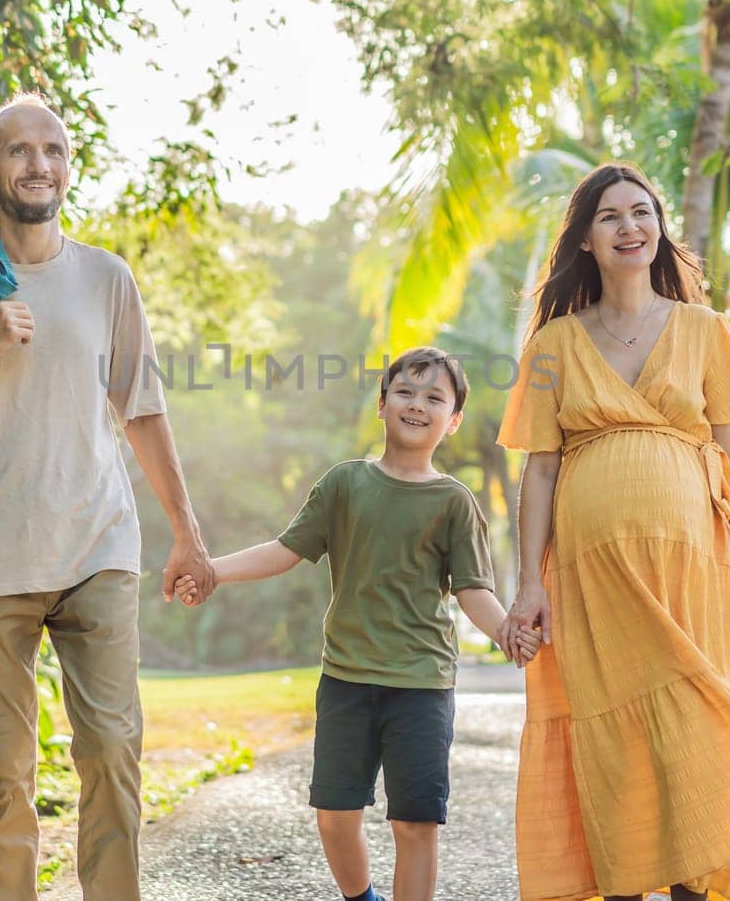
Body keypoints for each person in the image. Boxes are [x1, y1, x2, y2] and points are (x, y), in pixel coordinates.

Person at [0, 93, 216, 901]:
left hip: (97, 543)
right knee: (1, 778)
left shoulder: (105, 278)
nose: (39, 164)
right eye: (20, 151)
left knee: (110, 751)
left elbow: (142, 407)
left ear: (69, 167)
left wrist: (186, 534)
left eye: (53, 149)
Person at [497, 163, 730, 901]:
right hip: (590, 578)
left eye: (642, 212)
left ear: (660, 228)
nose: (630, 226)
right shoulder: (553, 345)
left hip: (691, 567)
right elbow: (539, 471)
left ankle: (693, 890)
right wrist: (528, 582)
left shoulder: (704, 330)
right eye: (610, 216)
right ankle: (627, 886)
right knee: (616, 745)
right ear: (585, 241)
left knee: (694, 731)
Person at [173, 347, 540, 901]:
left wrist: (506, 630)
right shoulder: (345, 484)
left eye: (434, 398)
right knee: (334, 816)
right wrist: (212, 571)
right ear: (382, 404)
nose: (418, 405)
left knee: (415, 825)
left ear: (454, 419)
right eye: (406, 392)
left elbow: (472, 589)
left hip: (421, 686)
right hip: (346, 681)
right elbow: (286, 549)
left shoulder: (454, 501)